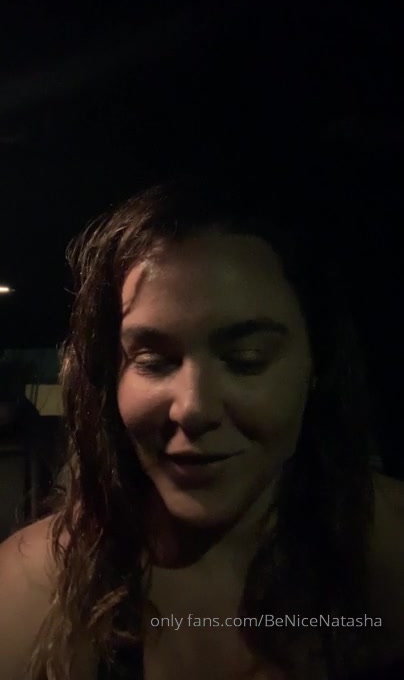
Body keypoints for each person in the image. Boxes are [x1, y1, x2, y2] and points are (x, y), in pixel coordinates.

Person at [0, 172, 403, 680]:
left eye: (247, 359)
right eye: (152, 360)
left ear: (316, 365)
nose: (193, 408)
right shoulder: (29, 592)